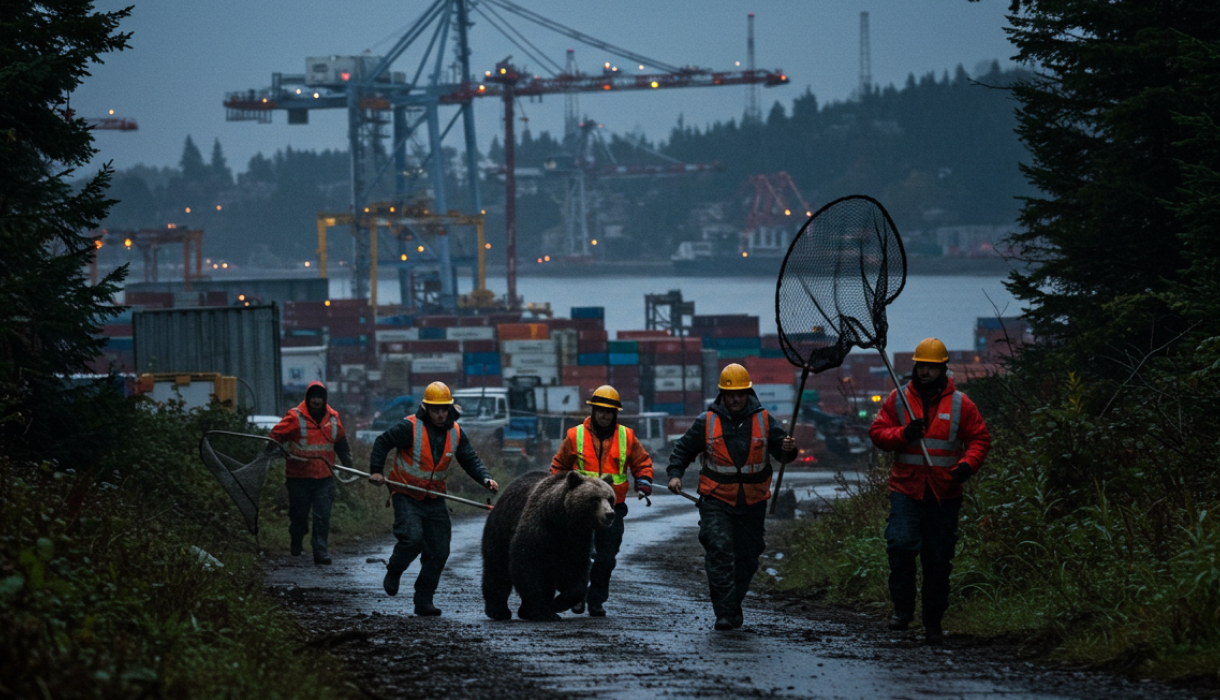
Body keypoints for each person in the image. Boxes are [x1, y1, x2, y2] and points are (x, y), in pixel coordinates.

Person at [869, 337, 991, 645]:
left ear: (942, 369)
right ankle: (902, 609)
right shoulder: (898, 400)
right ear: (915, 366)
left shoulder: (962, 404)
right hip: (906, 489)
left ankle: (933, 622)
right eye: (921, 366)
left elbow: (979, 439)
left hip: (945, 492)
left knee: (938, 560)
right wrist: (902, 434)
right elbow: (877, 433)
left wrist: (968, 464)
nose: (925, 373)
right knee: (900, 545)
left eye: (932, 368)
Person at [667, 363, 797, 631]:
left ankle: (734, 602)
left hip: (753, 501)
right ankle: (724, 613)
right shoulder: (706, 421)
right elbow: (682, 450)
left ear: (748, 392)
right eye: (731, 394)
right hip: (716, 500)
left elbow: (783, 456)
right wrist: (675, 475)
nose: (736, 399)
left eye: (740, 393)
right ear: (722, 395)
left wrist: (789, 450)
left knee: (748, 557)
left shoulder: (764, 420)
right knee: (719, 551)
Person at [368, 381, 498, 616]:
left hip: (435, 497)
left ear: (449, 408)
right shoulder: (410, 427)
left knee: (439, 551)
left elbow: (469, 459)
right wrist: (376, 470)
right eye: (435, 409)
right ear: (426, 408)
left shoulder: (456, 432)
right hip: (405, 493)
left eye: (444, 409)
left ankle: (423, 600)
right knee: (412, 539)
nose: (440, 414)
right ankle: (395, 569)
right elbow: (382, 442)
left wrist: (485, 479)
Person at [550, 385, 653, 617]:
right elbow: (558, 467)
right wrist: (555, 493)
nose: (605, 415)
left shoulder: (627, 436)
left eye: (610, 411)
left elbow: (642, 463)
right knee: (575, 558)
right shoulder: (574, 435)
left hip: (611, 509)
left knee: (606, 559)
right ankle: (575, 595)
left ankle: (595, 599)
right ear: (593, 410)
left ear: (615, 413)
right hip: (579, 511)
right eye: (601, 410)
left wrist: (644, 481)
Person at [267, 380, 353, 566]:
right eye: (313, 397)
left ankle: (320, 551)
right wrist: (271, 450)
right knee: (299, 515)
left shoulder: (333, 418)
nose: (316, 401)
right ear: (307, 398)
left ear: (324, 399)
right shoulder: (294, 416)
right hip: (298, 477)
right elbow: (276, 435)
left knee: (322, 515)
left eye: (319, 397)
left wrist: (347, 460)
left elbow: (340, 441)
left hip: (324, 477)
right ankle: (296, 538)